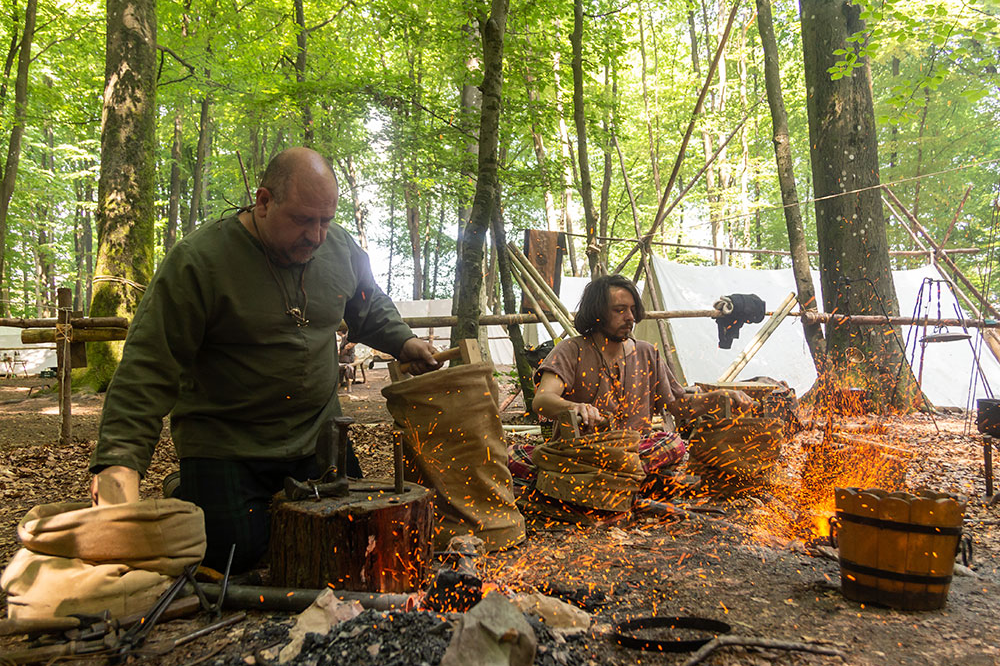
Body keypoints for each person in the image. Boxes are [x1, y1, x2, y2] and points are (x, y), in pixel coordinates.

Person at [89, 147, 440, 572]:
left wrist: (405, 342)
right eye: (302, 220)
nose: (316, 235)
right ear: (263, 201)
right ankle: (188, 489)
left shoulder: (340, 249)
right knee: (236, 556)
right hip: (228, 442)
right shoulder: (200, 262)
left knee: (350, 534)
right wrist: (119, 464)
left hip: (318, 434)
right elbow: (148, 368)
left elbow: (368, 305)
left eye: (325, 221)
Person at [511, 274, 753, 480]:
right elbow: (542, 400)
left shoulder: (647, 353)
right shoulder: (571, 350)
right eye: (619, 310)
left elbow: (679, 404)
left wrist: (718, 397)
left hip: (635, 450)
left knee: (672, 444)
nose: (630, 317)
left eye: (632, 310)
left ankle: (615, 475)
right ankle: (624, 477)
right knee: (513, 456)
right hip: (581, 452)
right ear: (597, 313)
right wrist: (575, 407)